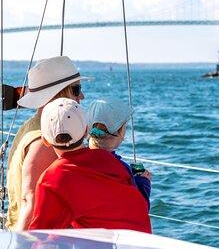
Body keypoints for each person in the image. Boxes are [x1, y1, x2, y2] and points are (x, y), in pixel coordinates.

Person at [29, 98, 151, 232]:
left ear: (44, 140)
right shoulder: (113, 163)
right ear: (85, 130)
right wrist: (143, 183)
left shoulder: (53, 178)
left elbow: (40, 236)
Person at [6, 56, 88, 231]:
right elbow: (31, 202)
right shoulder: (47, 142)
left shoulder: (30, 127)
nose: (81, 95)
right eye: (76, 89)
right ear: (56, 94)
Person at [87, 99, 151, 209]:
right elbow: (140, 209)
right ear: (121, 132)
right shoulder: (121, 170)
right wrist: (143, 183)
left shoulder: (79, 159)